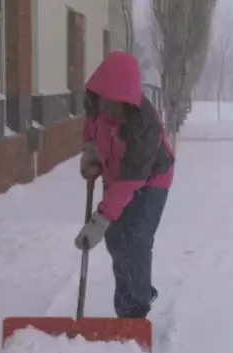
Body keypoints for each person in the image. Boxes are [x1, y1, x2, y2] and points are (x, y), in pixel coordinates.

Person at [74, 50, 175, 320]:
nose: (111, 108)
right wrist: (91, 152)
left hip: (152, 178)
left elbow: (132, 178)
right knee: (117, 240)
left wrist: (100, 219)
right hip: (115, 174)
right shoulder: (95, 103)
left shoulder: (143, 124)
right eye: (108, 100)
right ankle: (128, 300)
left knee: (137, 239)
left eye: (118, 103)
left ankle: (136, 309)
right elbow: (91, 130)